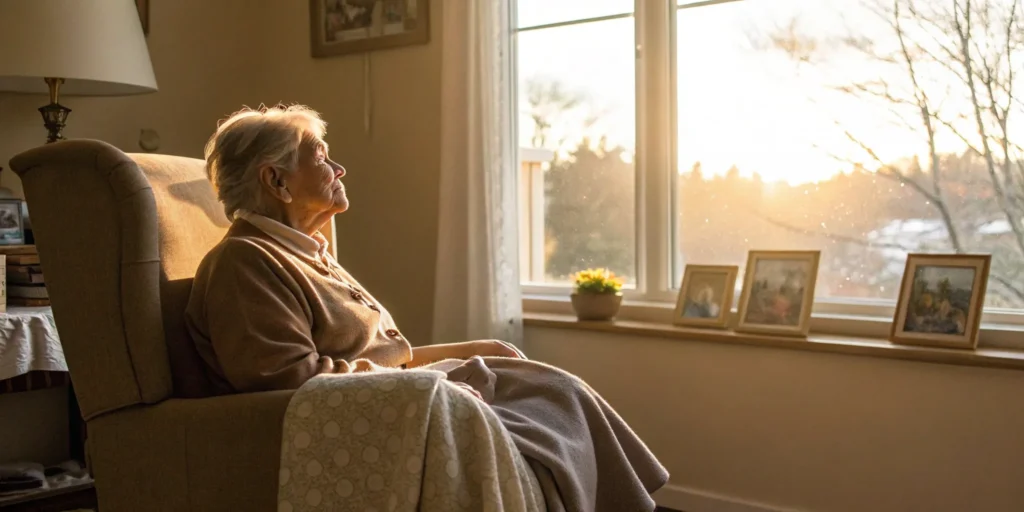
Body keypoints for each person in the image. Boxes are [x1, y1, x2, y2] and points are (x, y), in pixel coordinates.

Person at [185, 104, 667, 511]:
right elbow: (290, 382)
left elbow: (382, 353)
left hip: (401, 392)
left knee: (556, 391)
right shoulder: (245, 262)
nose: (339, 169)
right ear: (276, 180)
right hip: (372, 411)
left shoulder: (305, 250)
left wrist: (462, 351)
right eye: (322, 157)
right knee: (536, 420)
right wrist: (420, 385)